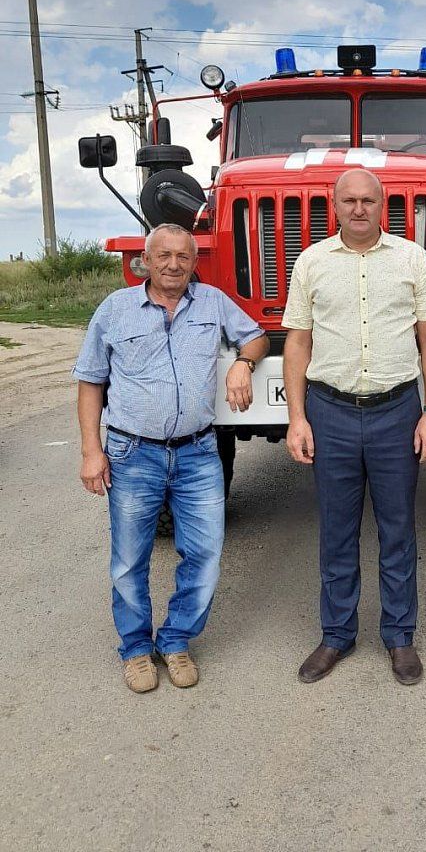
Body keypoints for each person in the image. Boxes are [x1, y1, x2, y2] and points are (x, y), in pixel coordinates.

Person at [74, 223, 269, 694]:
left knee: (204, 554)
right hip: (131, 452)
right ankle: (137, 650)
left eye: (183, 256)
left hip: (199, 452)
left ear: (194, 261)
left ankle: (177, 639)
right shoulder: (115, 310)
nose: (173, 264)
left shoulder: (212, 302)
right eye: (163, 255)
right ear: (146, 258)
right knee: (129, 559)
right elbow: (90, 381)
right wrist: (90, 451)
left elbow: (257, 337)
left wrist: (244, 362)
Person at [282, 168, 426, 686]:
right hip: (329, 412)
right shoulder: (310, 263)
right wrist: (297, 419)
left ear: (383, 206)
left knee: (398, 530)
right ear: (335, 206)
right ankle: (336, 635)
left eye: (368, 201)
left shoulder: (413, 260)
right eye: (349, 200)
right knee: (336, 531)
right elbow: (298, 342)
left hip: (397, 412)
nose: (358, 209)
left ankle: (400, 637)